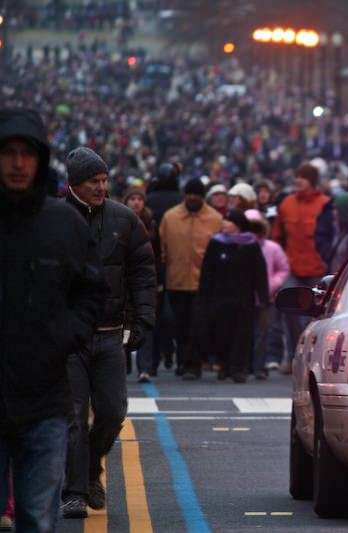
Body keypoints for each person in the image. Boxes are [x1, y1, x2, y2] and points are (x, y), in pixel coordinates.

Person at [0, 108, 106, 532]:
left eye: (27, 153)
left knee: (38, 518)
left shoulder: (62, 223)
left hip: (44, 398)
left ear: (41, 159)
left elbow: (92, 291)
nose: (18, 163)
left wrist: (66, 335)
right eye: (9, 152)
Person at [62, 147, 156, 519]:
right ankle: (74, 491)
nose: (102, 187)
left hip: (109, 333)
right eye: (93, 182)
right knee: (72, 416)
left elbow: (142, 273)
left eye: (104, 180)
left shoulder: (125, 220)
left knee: (113, 411)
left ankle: (89, 470)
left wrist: (143, 319)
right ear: (75, 184)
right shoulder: (54, 218)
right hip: (68, 339)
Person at [191, 209, 268, 382]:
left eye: (228, 221)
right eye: (224, 220)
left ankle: (238, 369)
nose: (224, 224)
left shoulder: (251, 244)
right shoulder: (216, 243)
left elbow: (259, 273)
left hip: (243, 298)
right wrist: (203, 296)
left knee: (242, 335)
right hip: (219, 298)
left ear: (238, 225)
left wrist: (263, 297)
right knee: (221, 333)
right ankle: (223, 365)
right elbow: (207, 272)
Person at [271, 164, 334, 373]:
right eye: (297, 176)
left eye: (303, 177)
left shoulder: (325, 204)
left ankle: (312, 360)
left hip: (317, 269)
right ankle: (291, 358)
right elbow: (277, 236)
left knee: (316, 318)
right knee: (289, 313)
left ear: (312, 181)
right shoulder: (287, 204)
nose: (298, 180)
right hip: (292, 267)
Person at [160, 178, 223, 378]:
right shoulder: (170, 218)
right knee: (179, 325)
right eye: (189, 194)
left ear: (203, 197)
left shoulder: (215, 219)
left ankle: (192, 365)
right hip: (176, 280)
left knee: (198, 325)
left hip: (203, 282)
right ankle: (182, 361)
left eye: (196, 194)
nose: (192, 198)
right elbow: (162, 249)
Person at [145, 162, 183, 374]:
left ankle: (154, 358)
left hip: (154, 261)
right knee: (174, 313)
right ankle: (172, 355)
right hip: (174, 261)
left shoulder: (150, 200)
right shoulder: (180, 200)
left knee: (156, 313)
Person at [245, 209, 290, 380]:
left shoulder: (272, 248)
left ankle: (259, 365)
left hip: (265, 298)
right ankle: (245, 364)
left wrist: (271, 285)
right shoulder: (239, 246)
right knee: (246, 332)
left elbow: (283, 269)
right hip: (244, 297)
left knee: (263, 333)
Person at [124, 187, 157, 383]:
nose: (136, 202)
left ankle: (145, 367)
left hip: (144, 280)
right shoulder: (119, 221)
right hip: (123, 280)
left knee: (145, 323)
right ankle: (125, 365)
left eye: (139, 199)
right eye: (132, 199)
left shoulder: (151, 224)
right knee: (124, 326)